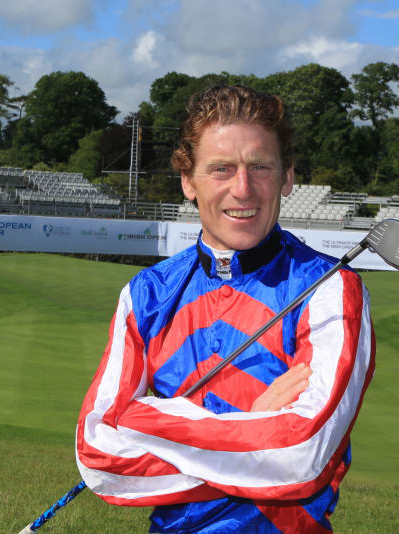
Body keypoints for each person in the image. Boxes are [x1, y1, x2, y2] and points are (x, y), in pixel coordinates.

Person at [75, 84, 375, 533]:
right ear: (187, 182)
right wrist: (252, 425)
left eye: (260, 167)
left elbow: (302, 458)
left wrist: (146, 421)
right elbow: (100, 455)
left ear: (287, 177)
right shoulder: (147, 294)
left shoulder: (332, 289)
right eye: (221, 169)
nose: (243, 188)